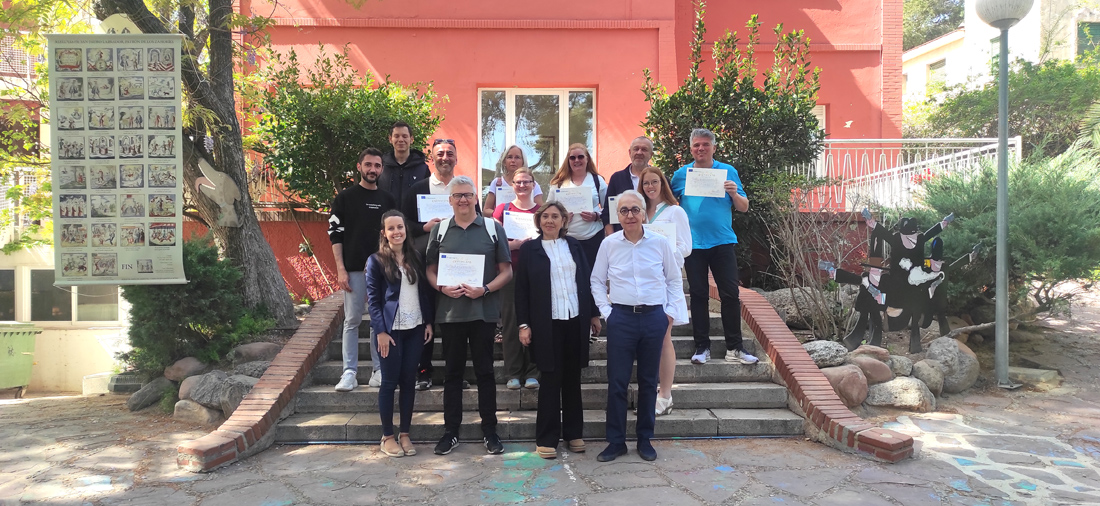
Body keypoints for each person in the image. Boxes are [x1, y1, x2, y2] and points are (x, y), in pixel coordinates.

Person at [590, 190, 687, 462]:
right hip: (621, 318)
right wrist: (607, 312)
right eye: (624, 211)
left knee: (648, 382)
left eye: (635, 210)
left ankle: (645, 440)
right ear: (617, 215)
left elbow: (673, 279)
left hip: (653, 317)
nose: (630, 215)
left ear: (644, 213)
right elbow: (597, 281)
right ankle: (616, 442)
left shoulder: (660, 243)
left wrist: (669, 312)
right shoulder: (609, 244)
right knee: (618, 383)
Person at [426, 176, 512, 456]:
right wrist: (441, 286)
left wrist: (484, 290)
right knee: (452, 374)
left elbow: (507, 271)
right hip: (450, 315)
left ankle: (490, 431)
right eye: (457, 195)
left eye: (467, 195)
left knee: (486, 373)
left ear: (476, 197)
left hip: (483, 314)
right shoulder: (439, 231)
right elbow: (430, 269)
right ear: (449, 200)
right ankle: (450, 431)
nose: (463, 200)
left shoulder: (492, 228)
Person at [515, 201, 601, 459]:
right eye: (545, 217)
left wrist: (594, 314)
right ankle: (547, 438)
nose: (549, 221)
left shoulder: (574, 245)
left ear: (564, 220)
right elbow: (521, 291)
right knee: (551, 379)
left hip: (575, 319)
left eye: (555, 216)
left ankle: (574, 433)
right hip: (546, 323)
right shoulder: (530, 249)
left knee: (572, 379)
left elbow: (586, 280)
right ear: (539, 221)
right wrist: (523, 324)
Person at [670, 128, 759, 366]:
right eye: (696, 145)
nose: (701, 149)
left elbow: (744, 207)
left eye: (705, 145)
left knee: (730, 294)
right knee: (698, 295)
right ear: (690, 149)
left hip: (722, 241)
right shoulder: (681, 175)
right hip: (693, 245)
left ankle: (735, 347)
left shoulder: (728, 171)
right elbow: (668, 204)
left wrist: (733, 193)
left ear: (714, 148)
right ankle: (702, 347)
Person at [401, 138, 478, 391]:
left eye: (450, 153)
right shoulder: (418, 189)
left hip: (458, 266)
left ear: (456, 158)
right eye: (440, 153)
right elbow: (404, 223)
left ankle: (455, 373)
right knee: (425, 318)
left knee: (455, 323)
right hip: (426, 266)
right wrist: (423, 227)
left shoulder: (464, 188)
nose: (445, 157)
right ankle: (423, 371)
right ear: (432, 157)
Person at [366, 210, 435, 457]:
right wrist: (380, 332)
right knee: (389, 383)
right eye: (391, 228)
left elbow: (423, 293)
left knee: (408, 382)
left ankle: (405, 434)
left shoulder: (415, 256)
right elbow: (373, 302)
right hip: (390, 332)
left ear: (406, 230)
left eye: (400, 227)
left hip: (415, 328)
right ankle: (387, 436)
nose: (397, 232)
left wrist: (428, 322)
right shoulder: (376, 261)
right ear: (384, 233)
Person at [329, 147, 397, 392]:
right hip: (354, 269)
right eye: (368, 165)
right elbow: (335, 236)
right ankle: (349, 372)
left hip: (383, 269)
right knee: (352, 320)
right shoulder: (345, 198)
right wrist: (341, 270)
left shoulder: (388, 200)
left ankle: (378, 369)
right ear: (359, 167)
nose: (373, 170)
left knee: (378, 321)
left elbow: (395, 235)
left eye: (377, 166)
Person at [638, 166, 692, 416]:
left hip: (665, 281)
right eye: (646, 183)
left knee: (663, 337)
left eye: (654, 182)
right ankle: (651, 392)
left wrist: (663, 250)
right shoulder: (639, 213)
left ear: (663, 184)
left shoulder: (675, 212)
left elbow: (686, 247)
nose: (650, 187)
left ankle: (665, 395)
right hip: (642, 283)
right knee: (647, 340)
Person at [492, 168, 541, 390]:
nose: (522, 186)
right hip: (509, 272)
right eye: (518, 182)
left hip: (536, 273)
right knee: (511, 323)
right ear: (512, 184)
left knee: (535, 320)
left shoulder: (542, 211)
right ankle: (513, 372)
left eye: (526, 182)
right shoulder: (502, 210)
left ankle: (533, 371)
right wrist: (514, 245)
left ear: (533, 184)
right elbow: (493, 242)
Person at [547, 143, 608, 270]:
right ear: (568, 160)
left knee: (593, 277)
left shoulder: (598, 181)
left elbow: (608, 209)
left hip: (594, 238)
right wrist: (561, 218)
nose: (576, 160)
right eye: (572, 158)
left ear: (587, 159)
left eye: (580, 157)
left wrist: (596, 216)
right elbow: (548, 211)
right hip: (566, 239)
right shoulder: (558, 184)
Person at [602, 137, 654, 235]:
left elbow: (668, 207)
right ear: (630, 152)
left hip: (652, 237)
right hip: (621, 237)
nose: (639, 152)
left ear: (651, 155)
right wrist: (612, 238)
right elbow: (607, 213)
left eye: (644, 149)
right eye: (636, 149)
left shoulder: (660, 179)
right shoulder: (617, 178)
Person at [482, 145, 544, 215]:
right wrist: (502, 214)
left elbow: (541, 211)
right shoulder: (497, 183)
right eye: (509, 157)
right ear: (504, 161)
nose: (513, 160)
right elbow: (486, 210)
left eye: (517, 157)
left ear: (523, 161)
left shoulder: (532, 185)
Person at [379, 121, 430, 206]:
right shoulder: (381, 167)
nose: (401, 140)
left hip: (412, 219)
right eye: (396, 136)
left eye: (405, 136)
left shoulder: (423, 169)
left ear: (411, 139)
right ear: (390, 139)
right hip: (387, 218)